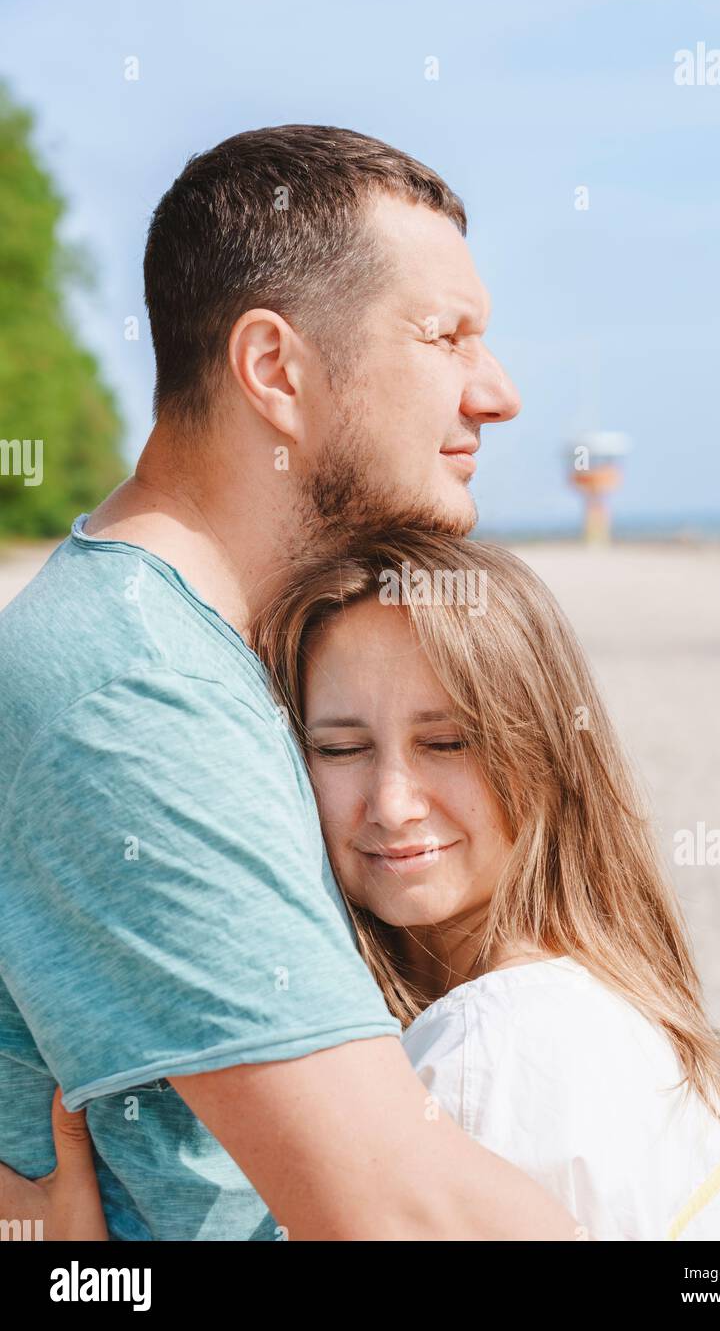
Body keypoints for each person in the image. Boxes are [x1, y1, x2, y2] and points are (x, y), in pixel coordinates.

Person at [0, 125, 580, 1241]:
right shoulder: (128, 689)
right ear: (274, 369)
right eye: (445, 336)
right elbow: (405, 1217)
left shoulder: (209, 648)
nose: (496, 394)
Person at [5, 529, 720, 1240]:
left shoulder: (490, 1052)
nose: (394, 803)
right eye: (340, 749)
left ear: (547, 755)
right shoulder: (623, 1010)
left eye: (447, 741)